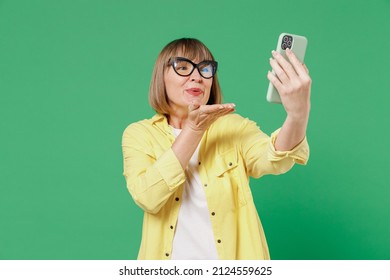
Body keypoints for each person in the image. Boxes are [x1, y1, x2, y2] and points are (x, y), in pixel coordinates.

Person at [122, 38, 311, 260]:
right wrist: (193, 129)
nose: (197, 76)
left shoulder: (234, 127)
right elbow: (148, 197)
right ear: (160, 78)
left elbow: (275, 158)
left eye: (205, 69)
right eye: (183, 67)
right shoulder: (139, 134)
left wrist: (298, 115)